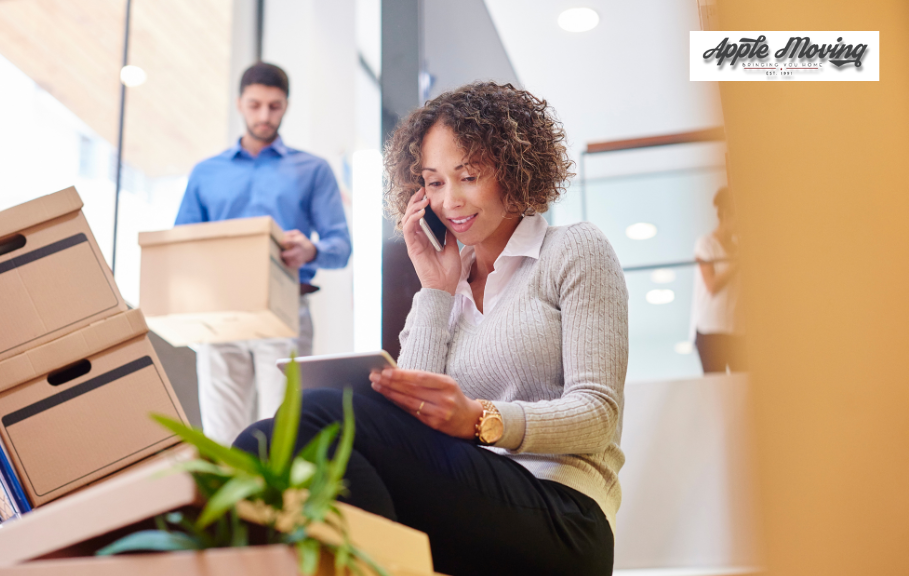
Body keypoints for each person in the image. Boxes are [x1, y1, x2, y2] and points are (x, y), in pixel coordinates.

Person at [234, 82, 627, 575]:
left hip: (565, 514)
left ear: (514, 168)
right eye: (434, 182)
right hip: (471, 498)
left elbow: (598, 413)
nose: (451, 201)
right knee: (261, 440)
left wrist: (482, 420)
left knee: (317, 413)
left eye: (468, 176)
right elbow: (412, 419)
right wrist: (435, 292)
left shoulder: (573, 250)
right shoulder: (448, 282)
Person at [175, 62, 351, 445]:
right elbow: (182, 246)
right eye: (255, 105)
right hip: (221, 315)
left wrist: (311, 249)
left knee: (283, 433)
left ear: (285, 105)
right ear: (239, 104)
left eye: (274, 106)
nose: (264, 116)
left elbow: (341, 248)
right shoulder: (206, 173)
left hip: (286, 310)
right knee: (223, 438)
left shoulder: (313, 170)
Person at [690, 187, 745, 373]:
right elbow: (711, 285)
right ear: (725, 215)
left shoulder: (739, 248)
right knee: (717, 386)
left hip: (737, 329)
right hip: (711, 331)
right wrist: (737, 263)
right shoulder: (705, 244)